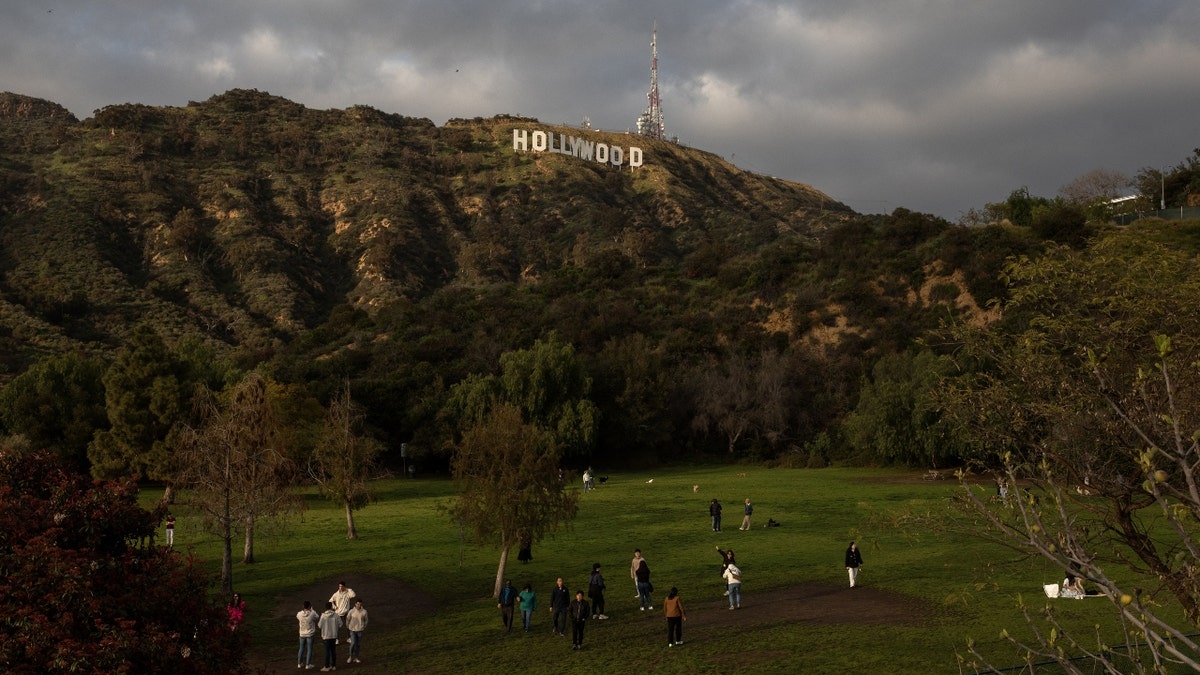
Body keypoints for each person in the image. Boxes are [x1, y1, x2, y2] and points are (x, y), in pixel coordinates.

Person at [318, 601, 341, 671]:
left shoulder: (323, 616)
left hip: (326, 636)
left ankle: (327, 666)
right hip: (333, 636)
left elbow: (319, 625)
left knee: (327, 652)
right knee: (333, 651)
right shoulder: (336, 615)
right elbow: (340, 624)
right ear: (331, 607)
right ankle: (334, 665)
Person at [297, 600, 319, 670]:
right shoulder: (312, 613)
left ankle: (299, 663)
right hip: (310, 634)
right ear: (310, 606)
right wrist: (312, 610)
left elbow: (297, 616)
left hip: (302, 634)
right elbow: (317, 617)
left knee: (301, 648)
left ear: (303, 606)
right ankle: (308, 664)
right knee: (309, 649)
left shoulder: (299, 614)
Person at [346, 599, 367, 664]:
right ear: (355, 604)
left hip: (360, 630)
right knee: (353, 643)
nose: (359, 605)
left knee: (358, 644)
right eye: (358, 604)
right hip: (352, 630)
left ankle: (356, 657)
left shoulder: (364, 612)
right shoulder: (351, 611)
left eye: (360, 604)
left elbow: (366, 620)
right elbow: (348, 619)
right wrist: (348, 626)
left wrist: (363, 627)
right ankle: (350, 656)